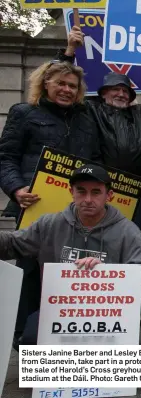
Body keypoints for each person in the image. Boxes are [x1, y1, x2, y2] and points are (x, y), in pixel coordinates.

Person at [55, 26, 141, 304]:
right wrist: (68, 53)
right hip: (103, 189)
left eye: (125, 90)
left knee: (138, 240)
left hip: (138, 190)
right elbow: (62, 84)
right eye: (114, 90)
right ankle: (102, 293)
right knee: (104, 241)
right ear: (102, 94)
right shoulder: (90, 110)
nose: (121, 94)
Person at [0, 61, 101, 344]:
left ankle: (65, 339)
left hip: (77, 211)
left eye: (73, 86)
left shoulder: (86, 118)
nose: (67, 90)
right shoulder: (24, 113)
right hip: (34, 207)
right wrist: (16, 188)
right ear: (46, 83)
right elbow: (6, 158)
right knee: (32, 273)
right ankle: (26, 341)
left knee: (73, 270)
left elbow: (94, 160)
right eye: (61, 83)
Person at [1, 164, 141, 347]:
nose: (88, 199)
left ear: (109, 195)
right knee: (29, 340)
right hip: (60, 310)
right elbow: (12, 244)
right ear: (71, 192)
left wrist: (108, 272)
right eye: (81, 191)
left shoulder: (128, 231)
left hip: (108, 312)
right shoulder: (50, 224)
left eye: (96, 192)